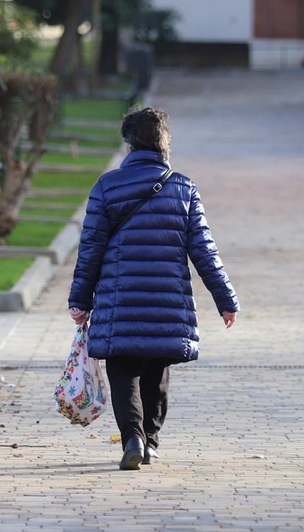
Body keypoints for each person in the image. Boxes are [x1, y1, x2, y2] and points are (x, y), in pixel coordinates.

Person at [68, 107, 239, 470]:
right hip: (166, 303)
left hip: (119, 301)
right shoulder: (182, 188)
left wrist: (80, 300)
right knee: (155, 371)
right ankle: (151, 439)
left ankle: (132, 439)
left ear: (129, 143)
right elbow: (204, 251)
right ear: (164, 144)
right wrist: (225, 300)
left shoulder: (106, 187)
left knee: (123, 371)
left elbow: (91, 249)